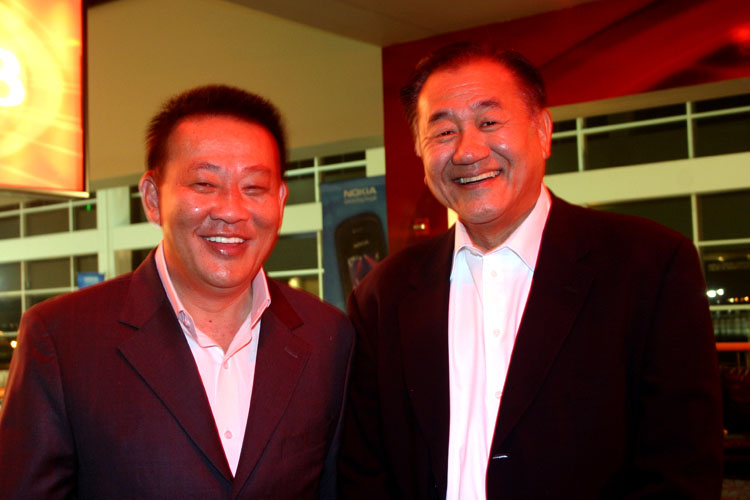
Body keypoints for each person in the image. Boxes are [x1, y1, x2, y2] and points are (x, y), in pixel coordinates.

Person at [338, 43, 723, 499]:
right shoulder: (382, 295)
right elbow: (364, 473)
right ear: (420, 152)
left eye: (489, 122)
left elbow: (682, 469)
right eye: (443, 132)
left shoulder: (649, 266)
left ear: (542, 131)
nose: (467, 150)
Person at [0, 85, 354, 499]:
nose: (231, 210)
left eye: (254, 188)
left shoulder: (328, 337)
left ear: (280, 200)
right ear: (153, 199)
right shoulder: (62, 338)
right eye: (204, 184)